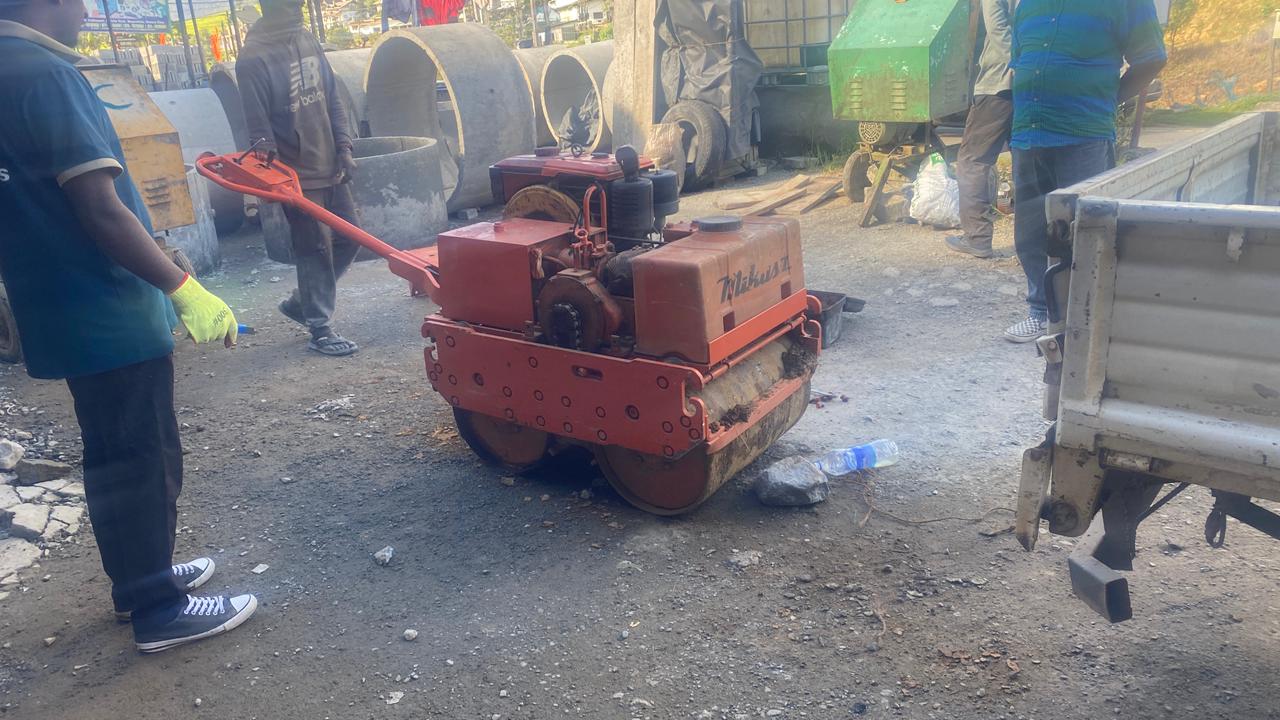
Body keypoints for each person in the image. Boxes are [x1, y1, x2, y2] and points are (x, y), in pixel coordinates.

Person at [0, 0, 258, 652]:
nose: (88, 10)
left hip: (55, 304)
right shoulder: (45, 75)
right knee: (143, 455)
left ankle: (138, 583)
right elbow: (101, 209)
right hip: (106, 304)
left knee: (113, 452)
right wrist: (184, 288)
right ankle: (159, 609)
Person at [1004, 0, 1166, 343]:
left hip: (1084, 135)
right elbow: (1020, 61)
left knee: (1087, 231)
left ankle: (1085, 318)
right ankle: (1042, 312)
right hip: (1028, 134)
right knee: (1030, 234)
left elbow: (1151, 58)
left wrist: (1105, 100)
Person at [236, 0, 361, 357]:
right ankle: (320, 329)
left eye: (300, 4)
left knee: (351, 237)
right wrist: (275, 181)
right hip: (295, 174)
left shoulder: (306, 38)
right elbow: (259, 131)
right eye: (290, 5)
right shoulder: (252, 59)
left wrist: (344, 147)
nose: (299, 10)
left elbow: (332, 97)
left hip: (330, 162)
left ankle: (301, 303)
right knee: (315, 246)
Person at [946, 0, 1015, 260]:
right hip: (1032, 87)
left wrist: (1019, 65)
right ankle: (1033, 241)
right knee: (1026, 160)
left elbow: (996, 26)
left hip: (999, 84)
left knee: (973, 161)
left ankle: (977, 238)